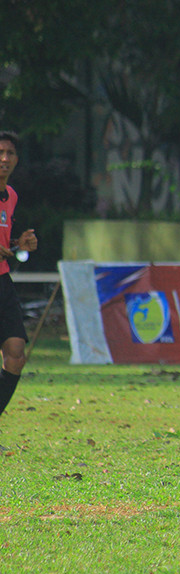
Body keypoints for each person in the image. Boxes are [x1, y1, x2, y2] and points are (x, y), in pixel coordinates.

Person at [0, 131, 39, 440]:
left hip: (2, 280)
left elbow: (5, 246)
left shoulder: (10, 196)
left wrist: (18, 242)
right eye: (0, 151)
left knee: (16, 353)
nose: (4, 158)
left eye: (10, 153)